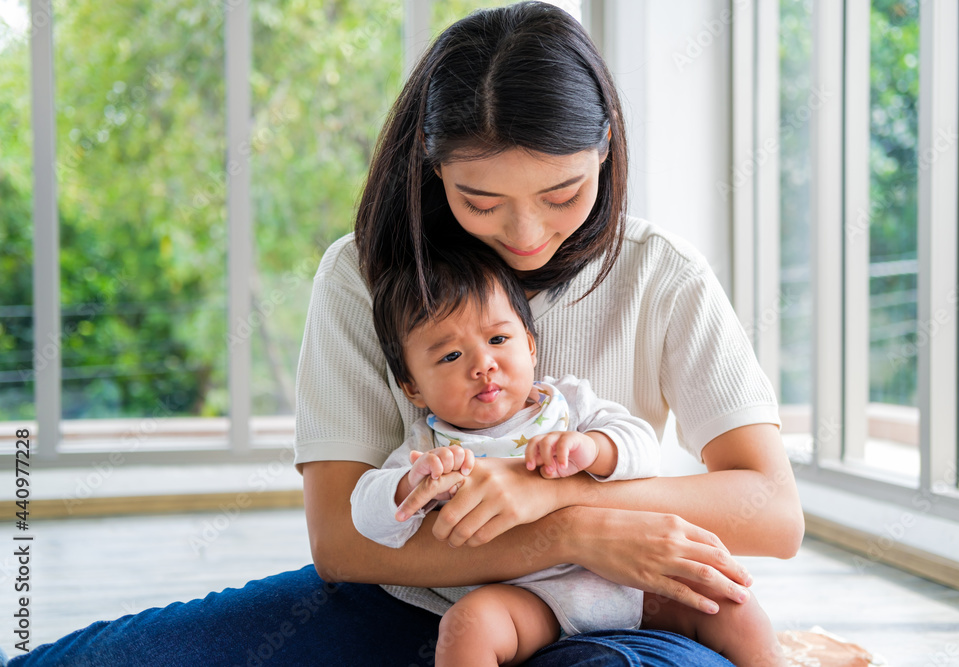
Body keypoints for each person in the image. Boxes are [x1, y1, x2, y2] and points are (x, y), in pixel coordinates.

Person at [9, 2, 802, 665]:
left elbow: (771, 509)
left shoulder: (659, 270)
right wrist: (573, 527)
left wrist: (552, 502)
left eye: (564, 192)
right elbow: (342, 544)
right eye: (481, 199)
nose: (526, 234)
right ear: (431, 168)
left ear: (606, 150)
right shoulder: (364, 275)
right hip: (412, 602)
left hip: (616, 608)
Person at [351, 243, 787, 666]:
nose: (482, 364)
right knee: (469, 626)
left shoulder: (570, 404)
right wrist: (410, 485)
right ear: (412, 388)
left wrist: (594, 449)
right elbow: (366, 517)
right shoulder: (429, 449)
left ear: (531, 344)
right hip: (529, 600)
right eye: (449, 355)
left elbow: (642, 449)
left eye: (499, 338)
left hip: (630, 580)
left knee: (729, 598)